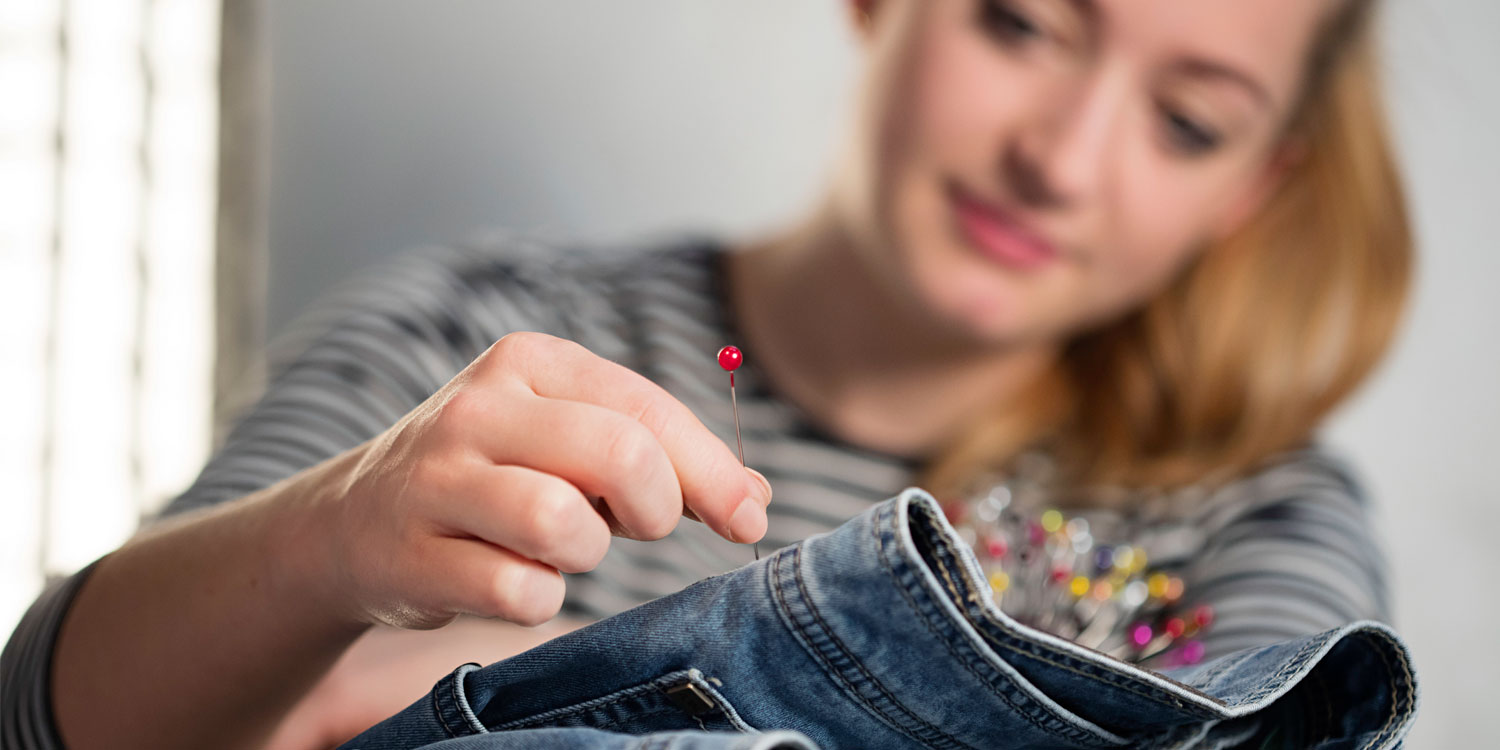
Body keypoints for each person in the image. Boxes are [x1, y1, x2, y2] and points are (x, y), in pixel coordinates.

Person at [2, 0, 1412, 748]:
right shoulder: (482, 339)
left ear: (1254, 187)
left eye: (1185, 119)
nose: (1063, 158)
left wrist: (456, 676)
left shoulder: (1253, 521)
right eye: (1021, 19)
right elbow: (49, 719)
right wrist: (328, 541)